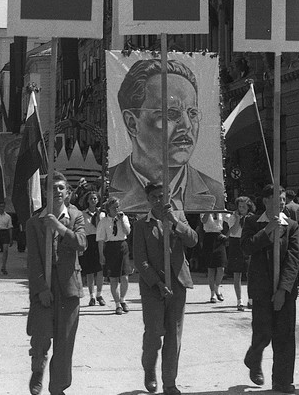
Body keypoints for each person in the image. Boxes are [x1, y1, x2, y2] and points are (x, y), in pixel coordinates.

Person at [108, 58, 225, 213]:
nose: (187, 125)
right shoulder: (109, 185)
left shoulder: (214, 191)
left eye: (192, 113)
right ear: (132, 123)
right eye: (171, 113)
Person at [133, 182, 198, 395]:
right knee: (154, 333)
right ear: (148, 200)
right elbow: (141, 261)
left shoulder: (178, 216)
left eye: (162, 195)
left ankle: (169, 382)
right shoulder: (142, 225)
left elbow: (192, 241)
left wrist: (174, 221)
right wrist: (158, 284)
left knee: (173, 334)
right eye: (154, 197)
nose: (159, 200)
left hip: (178, 284)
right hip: (153, 286)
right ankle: (149, 368)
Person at [26, 172, 87, 395]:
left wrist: (60, 227)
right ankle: (38, 370)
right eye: (52, 188)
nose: (57, 192)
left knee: (65, 343)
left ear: (68, 192)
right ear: (45, 192)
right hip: (44, 290)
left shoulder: (76, 216)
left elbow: (81, 243)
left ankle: (58, 387)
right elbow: (33, 261)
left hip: (69, 288)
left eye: (61, 188)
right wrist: (41, 288)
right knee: (41, 337)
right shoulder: (34, 222)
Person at [241, 184, 299, 394]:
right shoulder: (251, 222)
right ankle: (254, 358)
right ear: (265, 201)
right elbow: (247, 247)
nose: (282, 202)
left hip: (284, 291)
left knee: (284, 336)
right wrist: (267, 230)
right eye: (277, 199)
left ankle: (283, 381)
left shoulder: (292, 225)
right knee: (263, 333)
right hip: (261, 289)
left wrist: (283, 290)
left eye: (283, 199)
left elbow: (293, 260)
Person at [97, 197, 132, 315]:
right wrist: (101, 255)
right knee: (113, 279)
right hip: (111, 248)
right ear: (108, 209)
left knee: (125, 277)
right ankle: (117, 304)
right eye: (114, 207)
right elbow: (101, 240)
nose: (117, 209)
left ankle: (123, 300)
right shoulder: (104, 221)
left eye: (118, 206)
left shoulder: (124, 218)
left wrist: (121, 221)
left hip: (122, 246)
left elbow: (127, 232)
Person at [226, 196, 254, 311]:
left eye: (244, 206)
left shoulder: (252, 218)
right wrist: (237, 219)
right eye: (239, 206)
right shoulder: (233, 217)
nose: (241, 208)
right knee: (237, 273)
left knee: (250, 273)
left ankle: (251, 299)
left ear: (248, 207)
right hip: (235, 243)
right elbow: (232, 231)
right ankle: (239, 300)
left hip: (247, 243)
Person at [79, 191, 105, 306]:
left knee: (100, 270)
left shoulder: (102, 214)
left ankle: (99, 294)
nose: (93, 200)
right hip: (89, 241)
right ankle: (92, 296)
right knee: (90, 271)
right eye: (91, 199)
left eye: (95, 198)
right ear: (87, 201)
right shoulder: (83, 214)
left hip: (100, 241)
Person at [200, 212, 228, 303]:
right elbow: (203, 221)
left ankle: (217, 288)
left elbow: (231, 220)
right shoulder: (204, 209)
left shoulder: (221, 210)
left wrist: (227, 235)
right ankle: (212, 294)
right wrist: (208, 211)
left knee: (221, 267)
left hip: (219, 237)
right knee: (211, 268)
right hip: (208, 237)